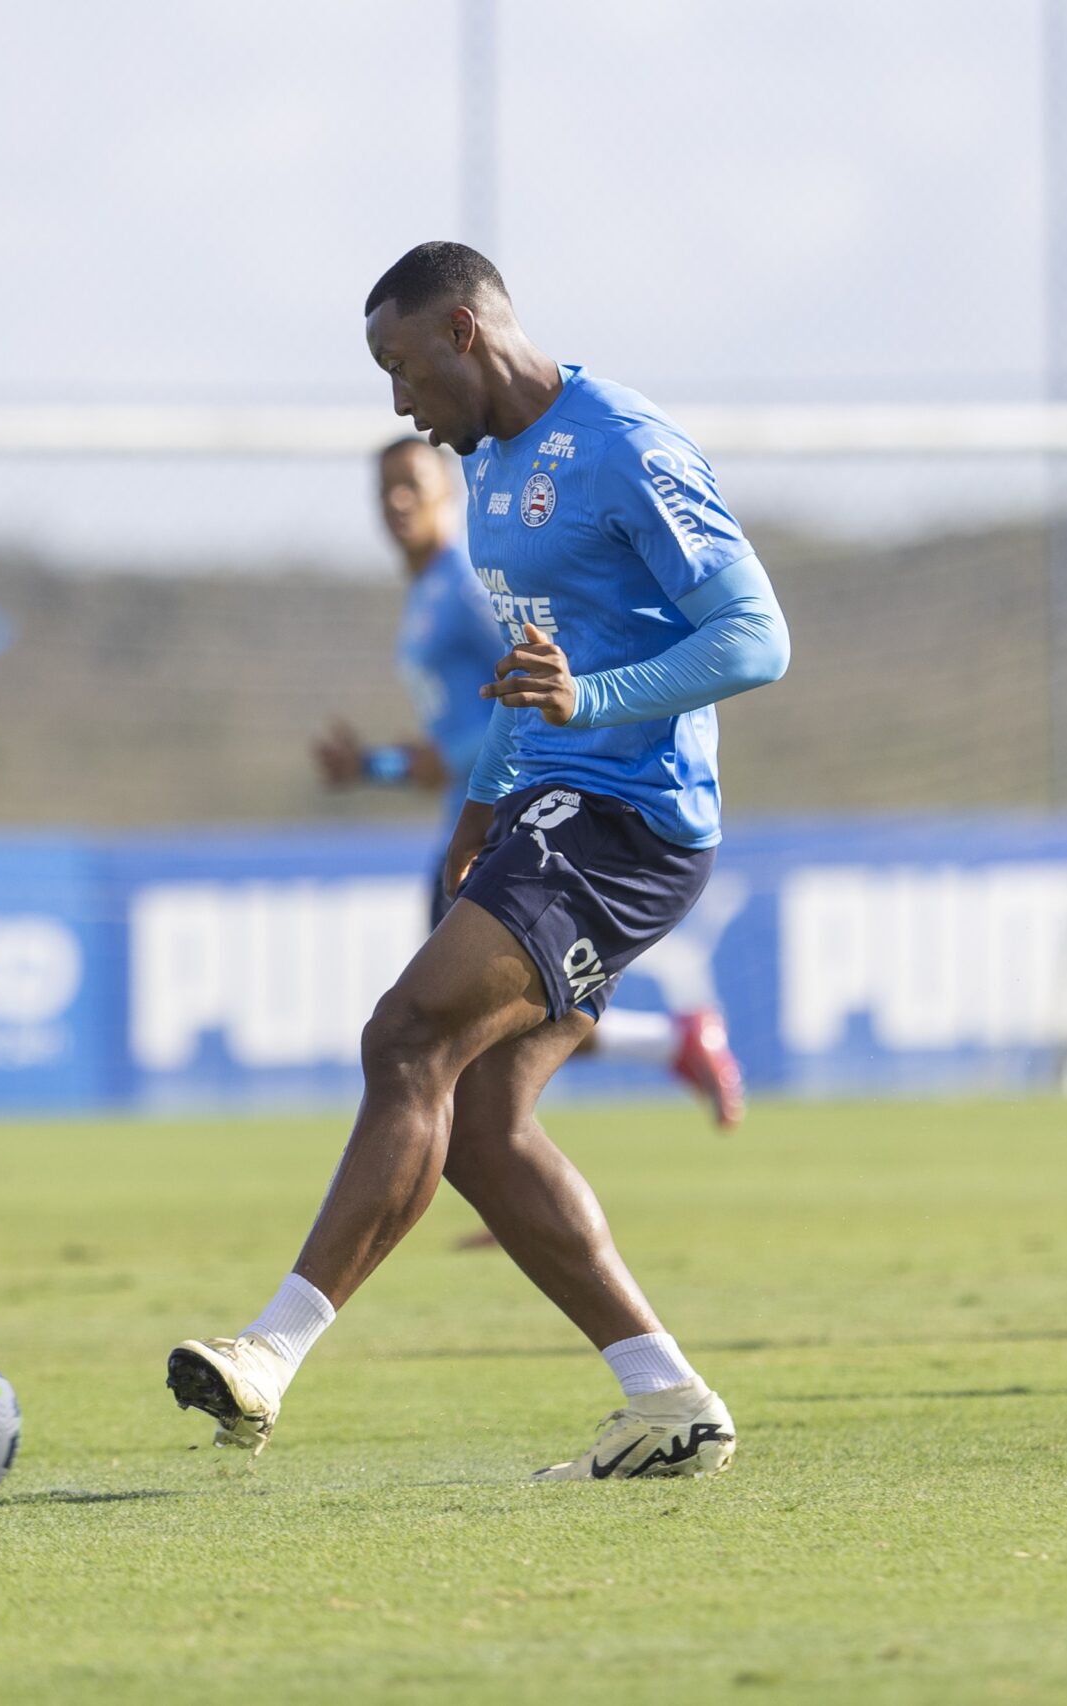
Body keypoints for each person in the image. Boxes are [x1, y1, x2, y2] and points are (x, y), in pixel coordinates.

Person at [170, 243, 790, 1478]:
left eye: (400, 368)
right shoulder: (496, 471)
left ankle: (269, 1355)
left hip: (631, 820)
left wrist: (595, 696)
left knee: (404, 1039)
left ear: (463, 330)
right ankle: (666, 1397)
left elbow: (756, 635)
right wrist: (478, 808)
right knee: (481, 1122)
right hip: (548, 808)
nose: (399, 403)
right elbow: (525, 671)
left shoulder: (626, 443)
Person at [312, 436, 749, 1127]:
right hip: (469, 819)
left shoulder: (463, 587)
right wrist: (376, 766)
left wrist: (445, 759)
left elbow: (524, 685)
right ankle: (651, 1064)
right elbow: (447, 744)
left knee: (450, 1031)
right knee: (478, 1034)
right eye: (385, 489)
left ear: (447, 494)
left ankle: (526, 1170)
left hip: (510, 823)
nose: (397, 502)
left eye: (413, 486)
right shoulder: (426, 591)